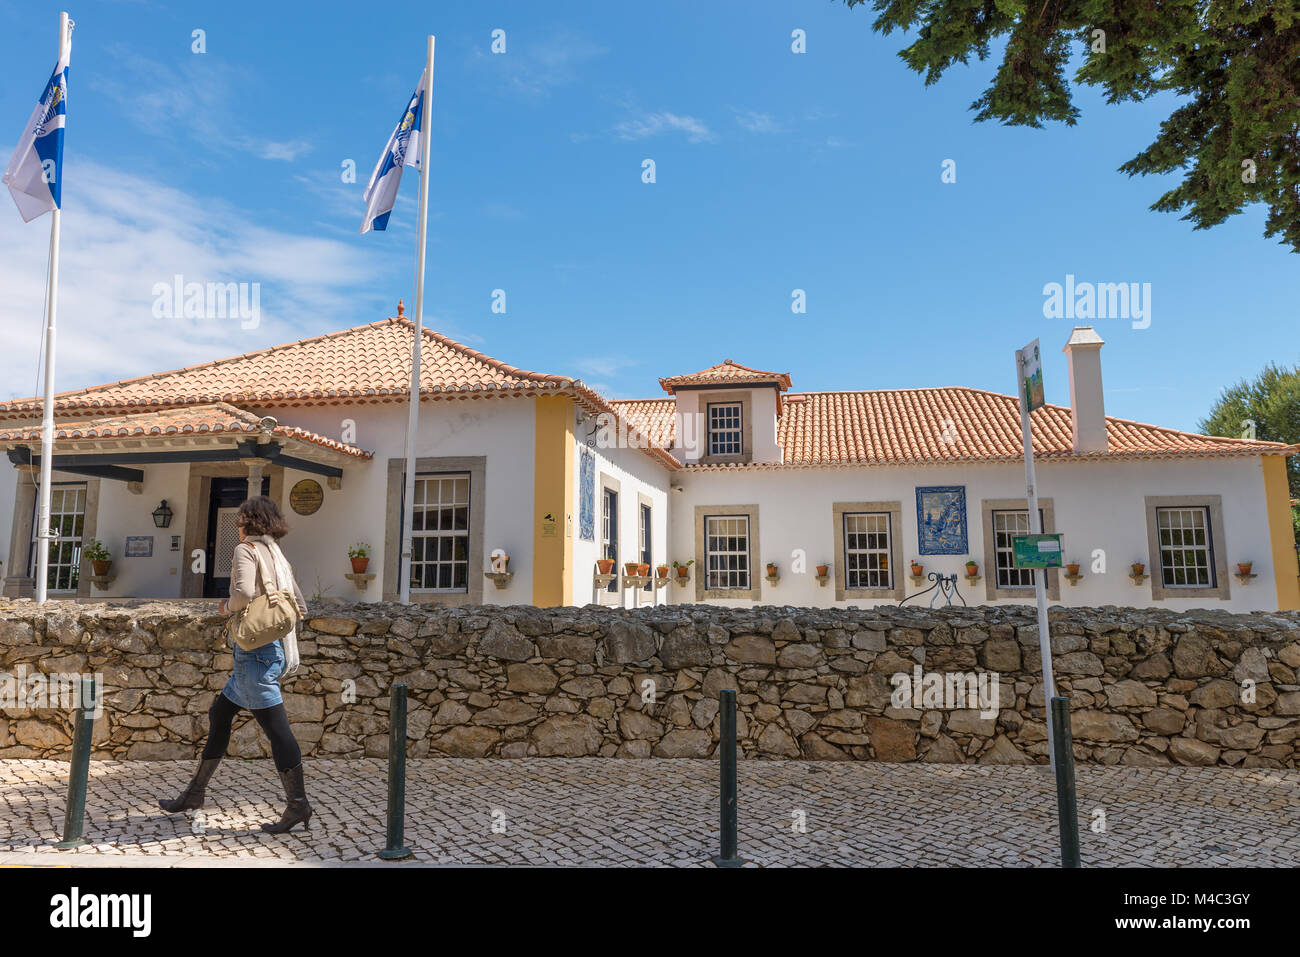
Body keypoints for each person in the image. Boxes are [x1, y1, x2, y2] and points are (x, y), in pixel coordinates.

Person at [157, 495, 313, 833]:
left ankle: (298, 804)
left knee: (277, 731)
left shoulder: (247, 550)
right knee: (220, 714)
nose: (238, 525)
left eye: (240, 520)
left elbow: (242, 592)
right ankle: (195, 793)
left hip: (254, 656)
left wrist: (227, 607)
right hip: (268, 650)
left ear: (249, 522)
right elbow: (300, 604)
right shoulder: (276, 554)